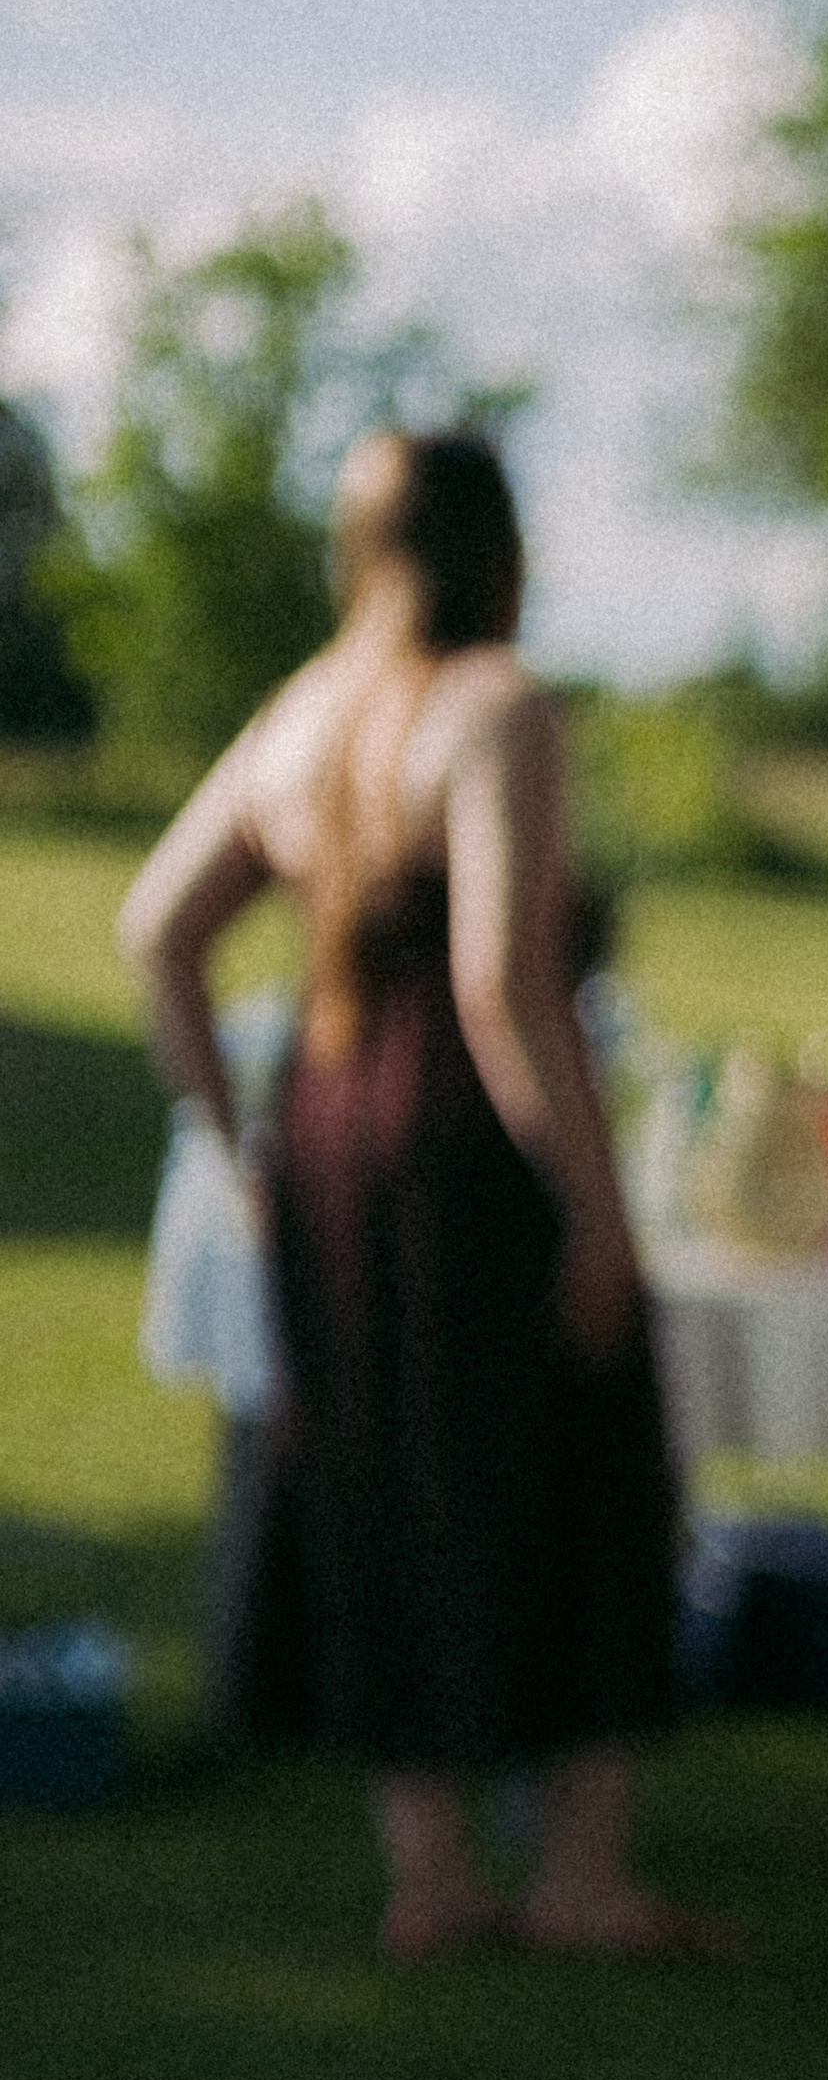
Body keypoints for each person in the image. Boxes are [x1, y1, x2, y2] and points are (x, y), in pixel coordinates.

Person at [119, 428, 707, 1962]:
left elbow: (154, 933)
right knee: (583, 1462)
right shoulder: (496, 707)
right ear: (500, 549)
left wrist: (230, 1135)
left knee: (387, 1468)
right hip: (465, 1142)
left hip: (325, 1135)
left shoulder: (307, 713)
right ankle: (580, 1882)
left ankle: (431, 1877)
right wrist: (592, 1209)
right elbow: (504, 983)